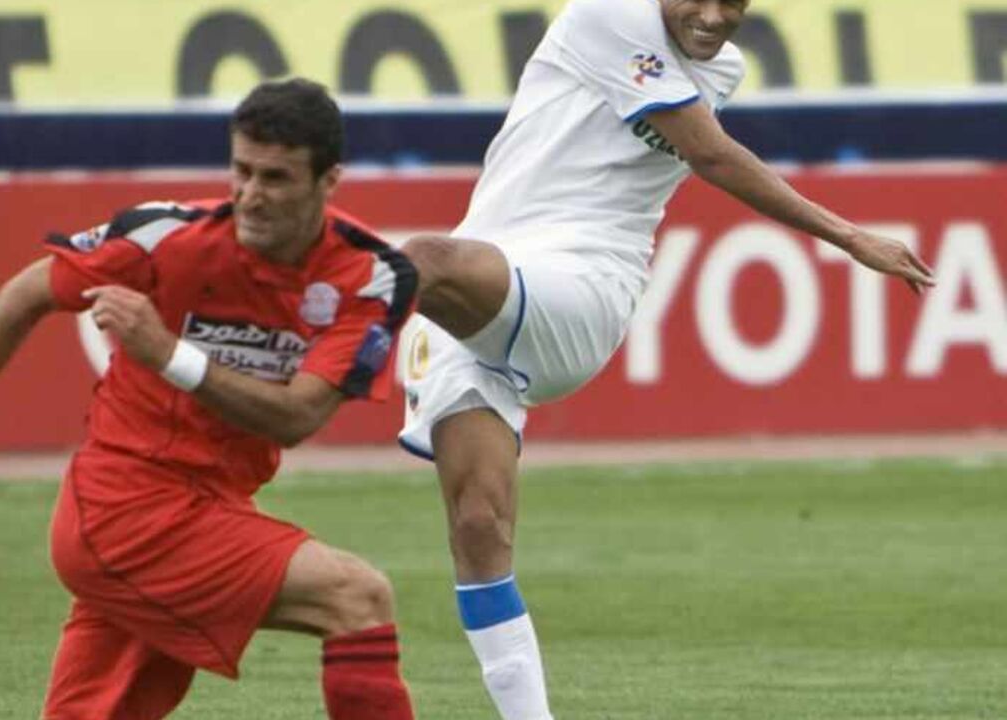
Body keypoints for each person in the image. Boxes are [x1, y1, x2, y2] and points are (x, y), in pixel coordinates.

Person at [395, 1, 937, 718]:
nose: (715, 17)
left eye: (735, 2)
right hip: (485, 289)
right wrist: (850, 235)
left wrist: (848, 237)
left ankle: (294, 361)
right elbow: (709, 151)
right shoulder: (606, 14)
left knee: (419, 261)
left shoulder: (719, 67)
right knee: (478, 527)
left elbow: (709, 152)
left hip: (579, 286)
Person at [0, 78, 418, 720]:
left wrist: (170, 354)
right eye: (241, 171)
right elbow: (26, 292)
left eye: (275, 179)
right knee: (357, 599)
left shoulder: (370, 276)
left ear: (328, 181)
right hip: (126, 508)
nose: (251, 196)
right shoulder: (167, 238)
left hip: (207, 507)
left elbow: (299, 415)